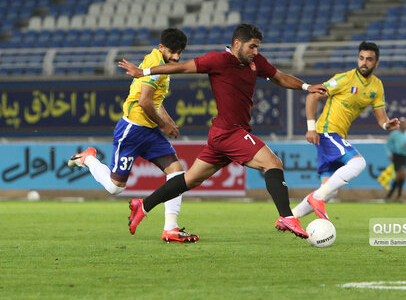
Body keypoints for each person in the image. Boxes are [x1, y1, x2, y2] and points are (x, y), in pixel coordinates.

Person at [118, 23, 328, 239]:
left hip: (222, 134)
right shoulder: (218, 60)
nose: (255, 52)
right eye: (252, 47)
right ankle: (287, 216)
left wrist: (306, 87)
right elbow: (182, 67)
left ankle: (142, 206)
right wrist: (143, 72)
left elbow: (279, 77)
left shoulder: (256, 62)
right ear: (237, 43)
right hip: (230, 132)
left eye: (257, 47)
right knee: (273, 163)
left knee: (190, 180)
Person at [68, 28, 199, 243]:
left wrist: (167, 122)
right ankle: (88, 158)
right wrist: (163, 125)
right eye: (173, 51)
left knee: (176, 174)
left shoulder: (162, 65)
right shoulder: (154, 66)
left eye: (180, 52)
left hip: (150, 131)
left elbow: (155, 100)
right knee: (115, 188)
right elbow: (144, 102)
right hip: (133, 131)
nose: (176, 57)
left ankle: (171, 228)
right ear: (161, 47)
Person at [287, 41, 400, 223]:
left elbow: (381, 118)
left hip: (337, 135)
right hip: (326, 132)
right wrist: (311, 128)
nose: (364, 62)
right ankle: (315, 199)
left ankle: (290, 218)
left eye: (369, 60)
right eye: (361, 58)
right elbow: (312, 96)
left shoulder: (377, 86)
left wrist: (387, 125)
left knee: (329, 191)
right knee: (358, 163)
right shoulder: (344, 79)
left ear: (376, 63)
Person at [385, 116, 406, 201]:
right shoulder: (394, 134)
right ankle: (399, 195)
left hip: (404, 156)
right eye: (401, 123)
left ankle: (390, 196)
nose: (403, 125)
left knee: (401, 177)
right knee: (401, 174)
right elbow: (387, 145)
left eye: (404, 123)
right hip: (397, 155)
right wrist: (389, 154)